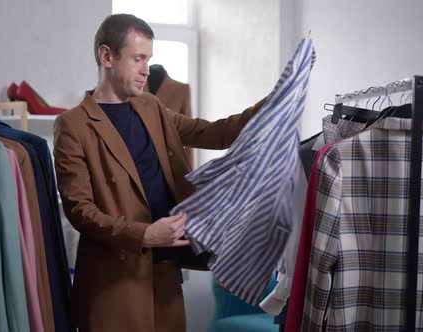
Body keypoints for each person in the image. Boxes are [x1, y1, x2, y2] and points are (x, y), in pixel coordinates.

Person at [53, 13, 267, 332]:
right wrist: (146, 234)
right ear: (106, 56)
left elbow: (215, 133)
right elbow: (80, 211)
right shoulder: (73, 125)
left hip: (166, 271)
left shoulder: (149, 106)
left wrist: (271, 104)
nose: (146, 70)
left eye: (148, 59)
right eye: (138, 58)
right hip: (115, 282)